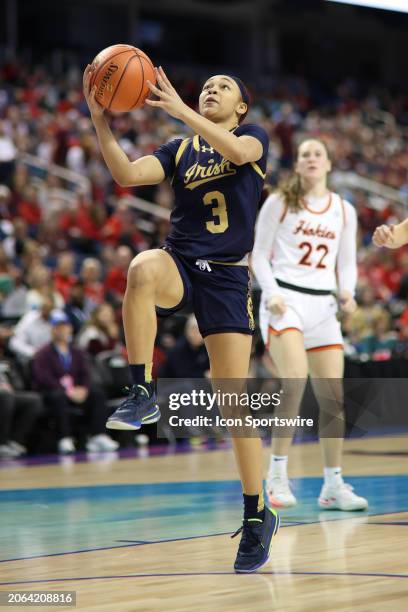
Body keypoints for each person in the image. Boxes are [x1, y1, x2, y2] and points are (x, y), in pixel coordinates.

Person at [83, 65, 278, 572]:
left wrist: (183, 110)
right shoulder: (179, 149)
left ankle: (258, 514)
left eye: (224, 87)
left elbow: (237, 154)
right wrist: (99, 120)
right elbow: (126, 176)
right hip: (183, 264)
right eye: (206, 85)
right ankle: (141, 390)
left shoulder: (252, 137)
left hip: (228, 278)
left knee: (232, 402)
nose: (211, 89)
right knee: (143, 266)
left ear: (241, 108)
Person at [252, 138, 368, 512]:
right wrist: (269, 292)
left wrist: (347, 293)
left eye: (318, 153)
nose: (312, 158)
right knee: (294, 381)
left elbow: (346, 262)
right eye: (305, 155)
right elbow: (258, 254)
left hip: (323, 305)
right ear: (298, 165)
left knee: (333, 397)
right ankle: (277, 474)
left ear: (330, 164)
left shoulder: (344, 211)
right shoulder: (280, 202)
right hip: (284, 299)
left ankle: (333, 484)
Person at [31, 310, 119, 454]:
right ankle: (64, 438)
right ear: (52, 329)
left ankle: (99, 436)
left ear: (70, 328)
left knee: (97, 394)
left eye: (64, 326)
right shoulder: (43, 353)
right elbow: (43, 377)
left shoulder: (77, 352)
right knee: (58, 397)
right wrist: (67, 390)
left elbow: (85, 373)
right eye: (58, 327)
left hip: (76, 390)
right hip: (55, 391)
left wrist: (83, 388)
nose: (62, 330)